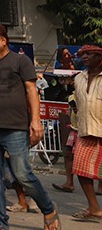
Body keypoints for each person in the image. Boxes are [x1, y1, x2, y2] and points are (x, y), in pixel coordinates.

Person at [0, 24, 59, 230]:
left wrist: (35, 121)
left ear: (3, 40)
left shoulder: (21, 61)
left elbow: (31, 91)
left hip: (15, 128)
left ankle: (48, 209)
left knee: (23, 175)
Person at [69, 44, 102, 222]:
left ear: (99, 56)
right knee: (81, 170)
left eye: (89, 54)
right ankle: (94, 208)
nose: (85, 57)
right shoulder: (79, 78)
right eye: (83, 54)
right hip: (86, 130)